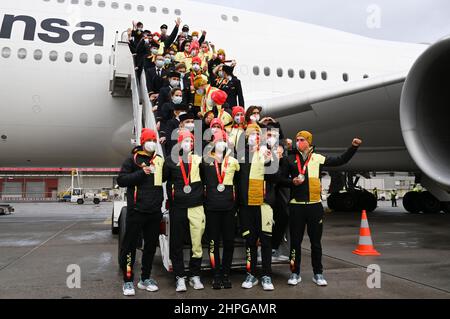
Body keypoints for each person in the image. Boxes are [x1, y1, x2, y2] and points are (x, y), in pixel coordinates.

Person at [279, 131, 362, 287]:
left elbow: (340, 160)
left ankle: (318, 273)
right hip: (296, 206)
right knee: (295, 242)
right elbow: (281, 180)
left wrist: (353, 147)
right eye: (297, 140)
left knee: (315, 242)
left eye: (302, 140)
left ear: (309, 142)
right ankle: (294, 273)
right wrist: (292, 182)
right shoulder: (290, 159)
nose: (298, 142)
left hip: (315, 206)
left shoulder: (318, 158)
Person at [117, 128, 165, 296]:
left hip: (154, 211)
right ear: (143, 142)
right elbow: (121, 180)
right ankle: (128, 281)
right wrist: (140, 173)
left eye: (154, 139)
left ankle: (145, 278)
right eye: (149, 139)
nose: (152, 142)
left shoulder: (159, 160)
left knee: (150, 247)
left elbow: (165, 177)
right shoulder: (132, 160)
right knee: (129, 246)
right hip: (136, 211)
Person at [236, 124, 278, 291]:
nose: (255, 136)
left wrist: (270, 160)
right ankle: (251, 273)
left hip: (264, 204)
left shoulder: (267, 152)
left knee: (266, 241)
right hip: (247, 205)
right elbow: (235, 178)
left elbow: (276, 177)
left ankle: (267, 275)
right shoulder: (240, 155)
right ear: (246, 137)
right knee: (250, 241)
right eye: (251, 134)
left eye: (257, 134)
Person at [163, 130, 206, 292]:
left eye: (191, 141)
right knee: (177, 243)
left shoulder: (198, 159)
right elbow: (163, 179)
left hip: (196, 205)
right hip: (178, 207)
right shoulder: (170, 161)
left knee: (197, 242)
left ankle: (195, 275)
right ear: (180, 143)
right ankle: (180, 277)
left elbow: (204, 177)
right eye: (186, 140)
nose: (189, 143)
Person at [203, 130, 240, 289]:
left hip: (229, 208)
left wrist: (236, 204)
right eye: (218, 140)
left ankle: (226, 273)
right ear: (212, 142)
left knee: (229, 242)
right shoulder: (205, 161)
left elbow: (238, 182)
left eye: (224, 140)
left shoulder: (233, 161)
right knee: (213, 243)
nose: (221, 143)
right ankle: (216, 274)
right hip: (211, 208)